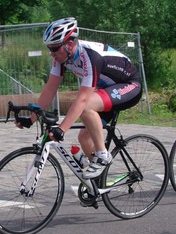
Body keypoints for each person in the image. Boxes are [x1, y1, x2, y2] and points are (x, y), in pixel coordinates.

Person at [18, 17, 142, 179]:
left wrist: (62, 129)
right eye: (49, 48)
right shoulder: (61, 58)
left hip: (129, 85)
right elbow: (49, 89)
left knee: (86, 106)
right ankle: (98, 183)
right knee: (84, 138)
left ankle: (103, 156)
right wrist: (31, 119)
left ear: (69, 45)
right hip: (106, 90)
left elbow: (83, 99)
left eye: (54, 48)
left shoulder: (89, 56)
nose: (51, 53)